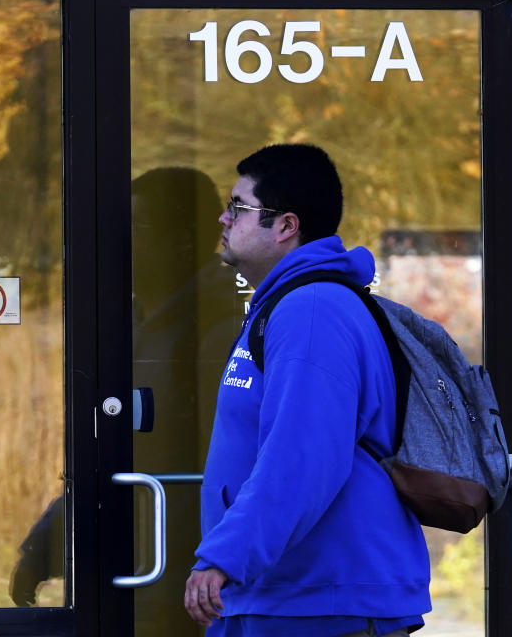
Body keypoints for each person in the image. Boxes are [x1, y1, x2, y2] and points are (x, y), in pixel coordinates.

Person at [183, 144, 431, 637]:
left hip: (320, 604)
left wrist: (226, 556)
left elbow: (302, 456)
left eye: (238, 207)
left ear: (286, 226)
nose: (223, 219)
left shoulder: (311, 310)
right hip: (288, 595)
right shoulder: (288, 305)